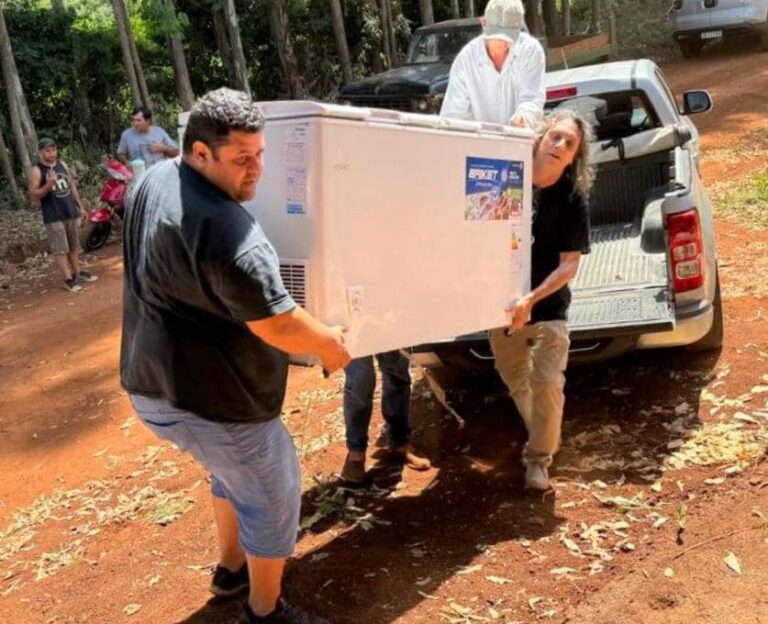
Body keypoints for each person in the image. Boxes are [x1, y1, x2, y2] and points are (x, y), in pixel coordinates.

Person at [120, 88, 350, 624]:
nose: (257, 171)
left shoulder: (155, 179)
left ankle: (231, 570)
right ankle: (264, 612)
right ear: (200, 152)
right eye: (242, 159)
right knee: (272, 494)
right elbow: (280, 323)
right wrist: (329, 343)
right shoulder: (230, 235)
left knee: (230, 473)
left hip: (151, 381)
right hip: (211, 398)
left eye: (261, 153)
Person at [489, 110, 595, 491]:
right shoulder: (506, 180)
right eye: (556, 137)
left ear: (573, 159)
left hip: (548, 308)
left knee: (547, 382)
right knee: (518, 381)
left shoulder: (572, 199)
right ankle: (546, 437)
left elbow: (570, 266)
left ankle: (538, 461)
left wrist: (531, 299)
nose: (561, 146)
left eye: (570, 145)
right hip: (502, 309)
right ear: (540, 137)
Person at [440, 0, 546, 129]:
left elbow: (532, 99)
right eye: (497, 38)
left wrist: (523, 118)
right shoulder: (466, 59)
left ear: (519, 30)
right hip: (477, 144)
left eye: (508, 39)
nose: (502, 45)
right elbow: (453, 114)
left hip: (520, 141)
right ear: (483, 23)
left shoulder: (530, 50)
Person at [340, 352, 431, 484]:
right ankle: (356, 453)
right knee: (360, 381)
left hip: (389, 331)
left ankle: (399, 443)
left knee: (397, 374)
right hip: (354, 332)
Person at [27, 138, 98, 292]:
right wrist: (48, 184)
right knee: (61, 249)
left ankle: (77, 274)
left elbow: (71, 186)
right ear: (41, 153)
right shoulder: (37, 170)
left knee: (73, 245)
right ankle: (67, 279)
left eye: (54, 150)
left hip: (69, 211)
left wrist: (80, 206)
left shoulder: (62, 165)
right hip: (53, 215)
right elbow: (33, 195)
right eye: (48, 151)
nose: (52, 153)